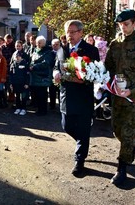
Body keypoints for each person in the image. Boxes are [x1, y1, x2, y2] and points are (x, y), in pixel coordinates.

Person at [104, 9, 135, 185]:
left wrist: (131, 90)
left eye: (126, 24)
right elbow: (108, 66)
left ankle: (122, 169)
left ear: (134, 23)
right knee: (116, 130)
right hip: (117, 96)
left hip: (134, 98)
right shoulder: (115, 43)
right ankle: (133, 147)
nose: (123, 28)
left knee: (127, 133)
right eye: (120, 25)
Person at [53, 20, 100, 176]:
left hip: (83, 97)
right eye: (67, 32)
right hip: (66, 96)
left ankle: (79, 161)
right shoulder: (61, 50)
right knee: (66, 126)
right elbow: (55, 67)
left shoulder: (91, 50)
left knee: (83, 128)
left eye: (73, 32)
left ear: (81, 32)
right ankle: (83, 141)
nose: (69, 35)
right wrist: (55, 74)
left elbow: (93, 74)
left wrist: (74, 77)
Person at [29, 35, 54, 116]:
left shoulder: (48, 52)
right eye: (37, 43)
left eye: (39, 43)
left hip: (43, 77)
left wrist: (35, 67)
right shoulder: (35, 50)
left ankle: (43, 110)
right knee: (37, 95)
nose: (38, 45)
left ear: (44, 43)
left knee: (42, 95)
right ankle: (39, 109)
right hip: (35, 76)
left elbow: (46, 63)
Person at [9, 51, 30, 115]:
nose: (17, 58)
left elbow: (27, 75)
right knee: (17, 96)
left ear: (21, 57)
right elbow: (11, 75)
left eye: (18, 56)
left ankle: (23, 108)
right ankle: (18, 107)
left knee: (23, 97)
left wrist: (27, 83)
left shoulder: (25, 64)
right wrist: (11, 84)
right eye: (16, 56)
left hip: (23, 83)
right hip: (16, 83)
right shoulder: (13, 64)